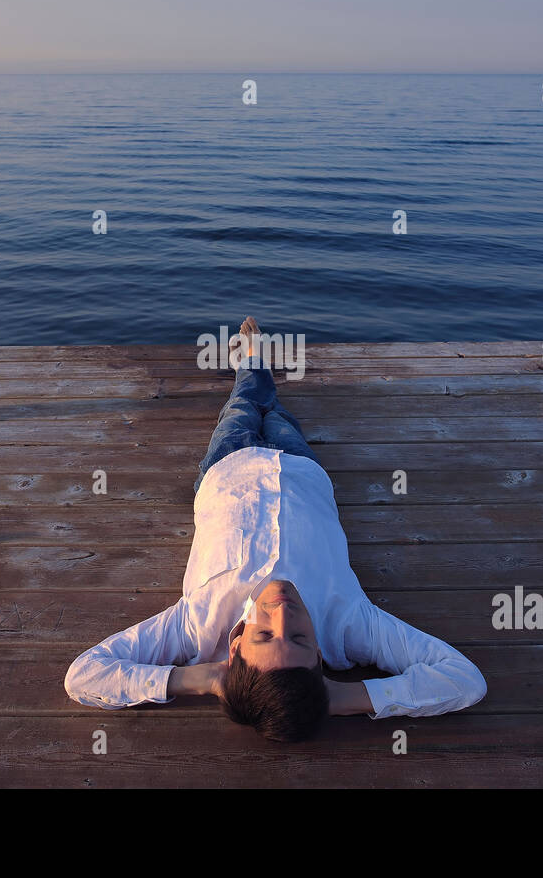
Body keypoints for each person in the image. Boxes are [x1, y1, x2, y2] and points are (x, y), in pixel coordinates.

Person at [63, 317, 487, 742]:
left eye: (264, 634)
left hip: (227, 469)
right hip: (300, 468)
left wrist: (199, 679)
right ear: (320, 655)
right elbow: (464, 680)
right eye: (301, 637)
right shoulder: (349, 626)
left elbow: (85, 675)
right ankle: (258, 366)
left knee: (242, 405)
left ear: (233, 650)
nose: (283, 611)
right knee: (278, 412)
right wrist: (347, 697)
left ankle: (251, 364)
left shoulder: (196, 625)